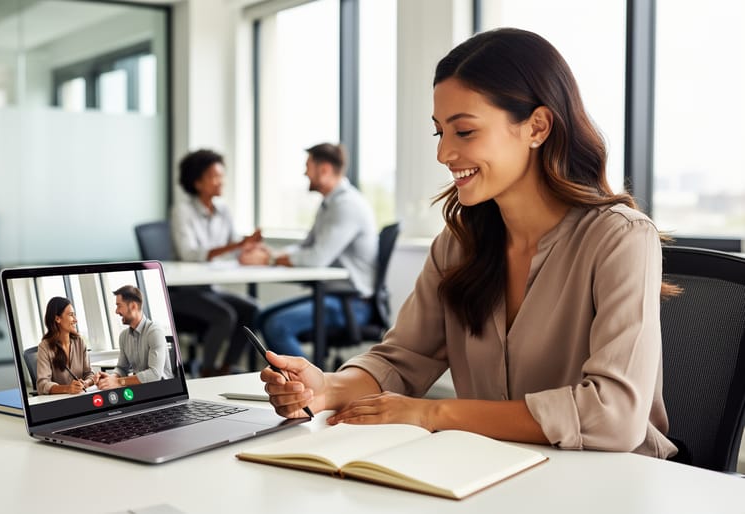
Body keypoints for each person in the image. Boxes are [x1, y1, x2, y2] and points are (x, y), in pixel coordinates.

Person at [258, 28, 679, 460]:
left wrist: (433, 413)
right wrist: (326, 388)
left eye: (464, 132)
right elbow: (401, 360)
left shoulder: (620, 238)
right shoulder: (458, 246)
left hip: (613, 486)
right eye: (439, 132)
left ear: (537, 127)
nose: (443, 154)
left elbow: (614, 416)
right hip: (491, 474)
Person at [240, 143, 378, 359]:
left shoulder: (347, 205)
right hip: (331, 296)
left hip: (352, 303)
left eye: (308, 166)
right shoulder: (329, 205)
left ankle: (317, 386)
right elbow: (306, 247)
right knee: (260, 317)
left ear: (323, 169)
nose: (305, 173)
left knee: (277, 325)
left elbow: (316, 258)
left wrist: (270, 260)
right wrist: (270, 255)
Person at [169, 149, 261, 377]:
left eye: (222, 175)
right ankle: (207, 372)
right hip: (183, 292)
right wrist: (237, 245)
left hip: (209, 289)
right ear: (198, 182)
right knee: (225, 315)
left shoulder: (223, 210)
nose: (221, 181)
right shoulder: (182, 211)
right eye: (214, 176)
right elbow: (189, 253)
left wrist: (248, 249)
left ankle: (226, 367)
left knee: (252, 309)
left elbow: (232, 249)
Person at [96, 285, 172, 388]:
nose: (116, 311)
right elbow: (122, 368)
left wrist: (119, 382)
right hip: (139, 390)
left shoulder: (154, 331)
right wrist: (112, 378)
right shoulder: (123, 336)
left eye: (119, 305)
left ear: (133, 306)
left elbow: (154, 375)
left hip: (162, 390)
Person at [36, 296, 96, 395]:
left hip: (80, 396)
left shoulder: (79, 342)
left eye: (75, 315)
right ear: (57, 318)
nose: (75, 320)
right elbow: (42, 384)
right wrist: (67, 388)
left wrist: (85, 383)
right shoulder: (44, 347)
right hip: (59, 402)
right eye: (71, 315)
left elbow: (89, 373)